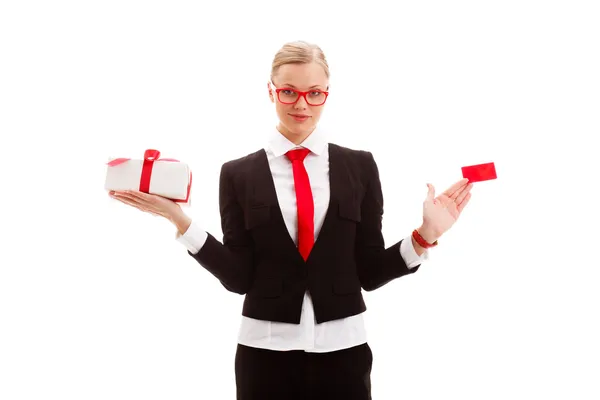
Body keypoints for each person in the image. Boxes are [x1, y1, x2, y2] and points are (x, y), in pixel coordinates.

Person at [109, 40, 473, 400]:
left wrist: (426, 235)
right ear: (271, 91)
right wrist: (179, 220)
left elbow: (370, 271)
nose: (302, 104)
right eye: (289, 92)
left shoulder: (360, 166)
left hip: (343, 352)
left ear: (327, 94)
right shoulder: (237, 173)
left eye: (315, 93)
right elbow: (238, 277)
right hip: (264, 354)